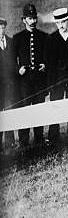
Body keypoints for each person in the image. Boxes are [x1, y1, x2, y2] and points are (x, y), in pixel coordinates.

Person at [13, 3, 48, 148]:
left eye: (34, 18)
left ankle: (39, 139)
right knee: (25, 109)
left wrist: (44, 64)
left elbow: (47, 57)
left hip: (39, 80)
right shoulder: (18, 38)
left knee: (39, 108)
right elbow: (11, 60)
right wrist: (18, 68)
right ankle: (23, 141)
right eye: (30, 18)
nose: (33, 21)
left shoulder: (43, 36)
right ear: (24, 20)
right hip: (25, 81)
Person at [45, 8, 68, 146]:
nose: (61, 25)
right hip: (58, 80)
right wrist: (50, 84)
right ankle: (53, 137)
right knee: (56, 106)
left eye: (63, 22)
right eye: (58, 23)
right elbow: (49, 63)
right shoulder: (51, 38)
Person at [0, 17, 17, 151]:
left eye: (2, 26)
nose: (0, 29)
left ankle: (10, 141)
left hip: (10, 84)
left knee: (10, 112)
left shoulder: (11, 42)